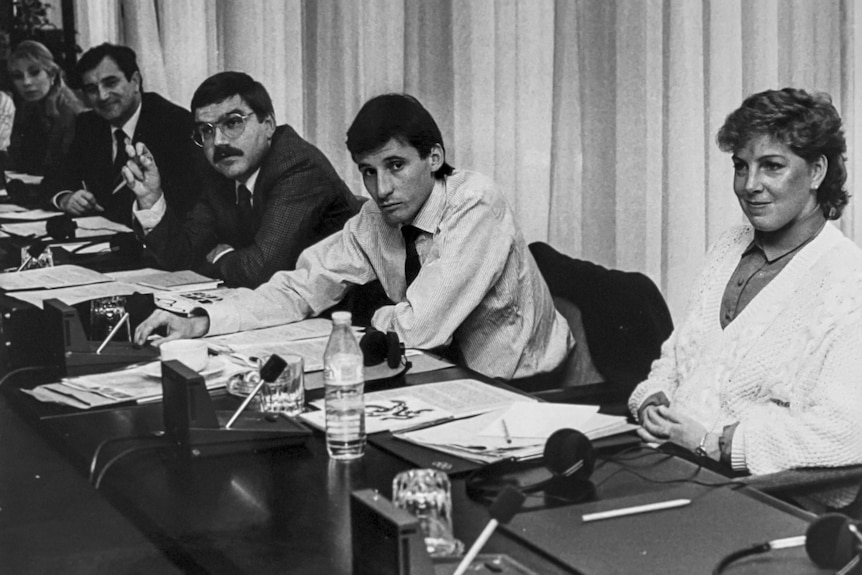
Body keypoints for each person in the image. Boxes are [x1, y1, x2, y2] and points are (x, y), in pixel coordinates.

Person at [134, 93, 574, 380]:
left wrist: (362, 322)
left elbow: (418, 328)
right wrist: (202, 321)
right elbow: (297, 288)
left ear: (434, 157)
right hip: (440, 377)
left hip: (526, 387)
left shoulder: (476, 202)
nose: (381, 189)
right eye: (368, 172)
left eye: (396, 166)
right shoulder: (376, 218)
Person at [629, 88, 862, 508]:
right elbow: (679, 357)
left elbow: (847, 432)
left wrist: (714, 443)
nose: (750, 185)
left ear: (816, 172)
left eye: (772, 166)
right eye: (741, 166)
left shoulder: (849, 281)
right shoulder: (728, 247)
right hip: (668, 470)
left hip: (766, 499)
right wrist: (654, 400)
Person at [123, 71, 361, 288]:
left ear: (268, 125)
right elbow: (180, 255)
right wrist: (151, 199)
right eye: (206, 130)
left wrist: (218, 256)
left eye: (233, 123)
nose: (218, 142)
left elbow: (259, 271)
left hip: (342, 313)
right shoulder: (219, 173)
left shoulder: (297, 166)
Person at [41, 43, 201, 226]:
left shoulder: (175, 124)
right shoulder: (88, 124)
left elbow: (188, 201)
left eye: (111, 83)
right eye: (92, 89)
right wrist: (66, 198)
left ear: (135, 81)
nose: (102, 96)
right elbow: (54, 179)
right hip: (99, 241)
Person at [5, 40, 84, 176]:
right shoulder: (25, 108)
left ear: (52, 74)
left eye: (34, 72)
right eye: (18, 76)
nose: (26, 82)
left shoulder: (69, 111)